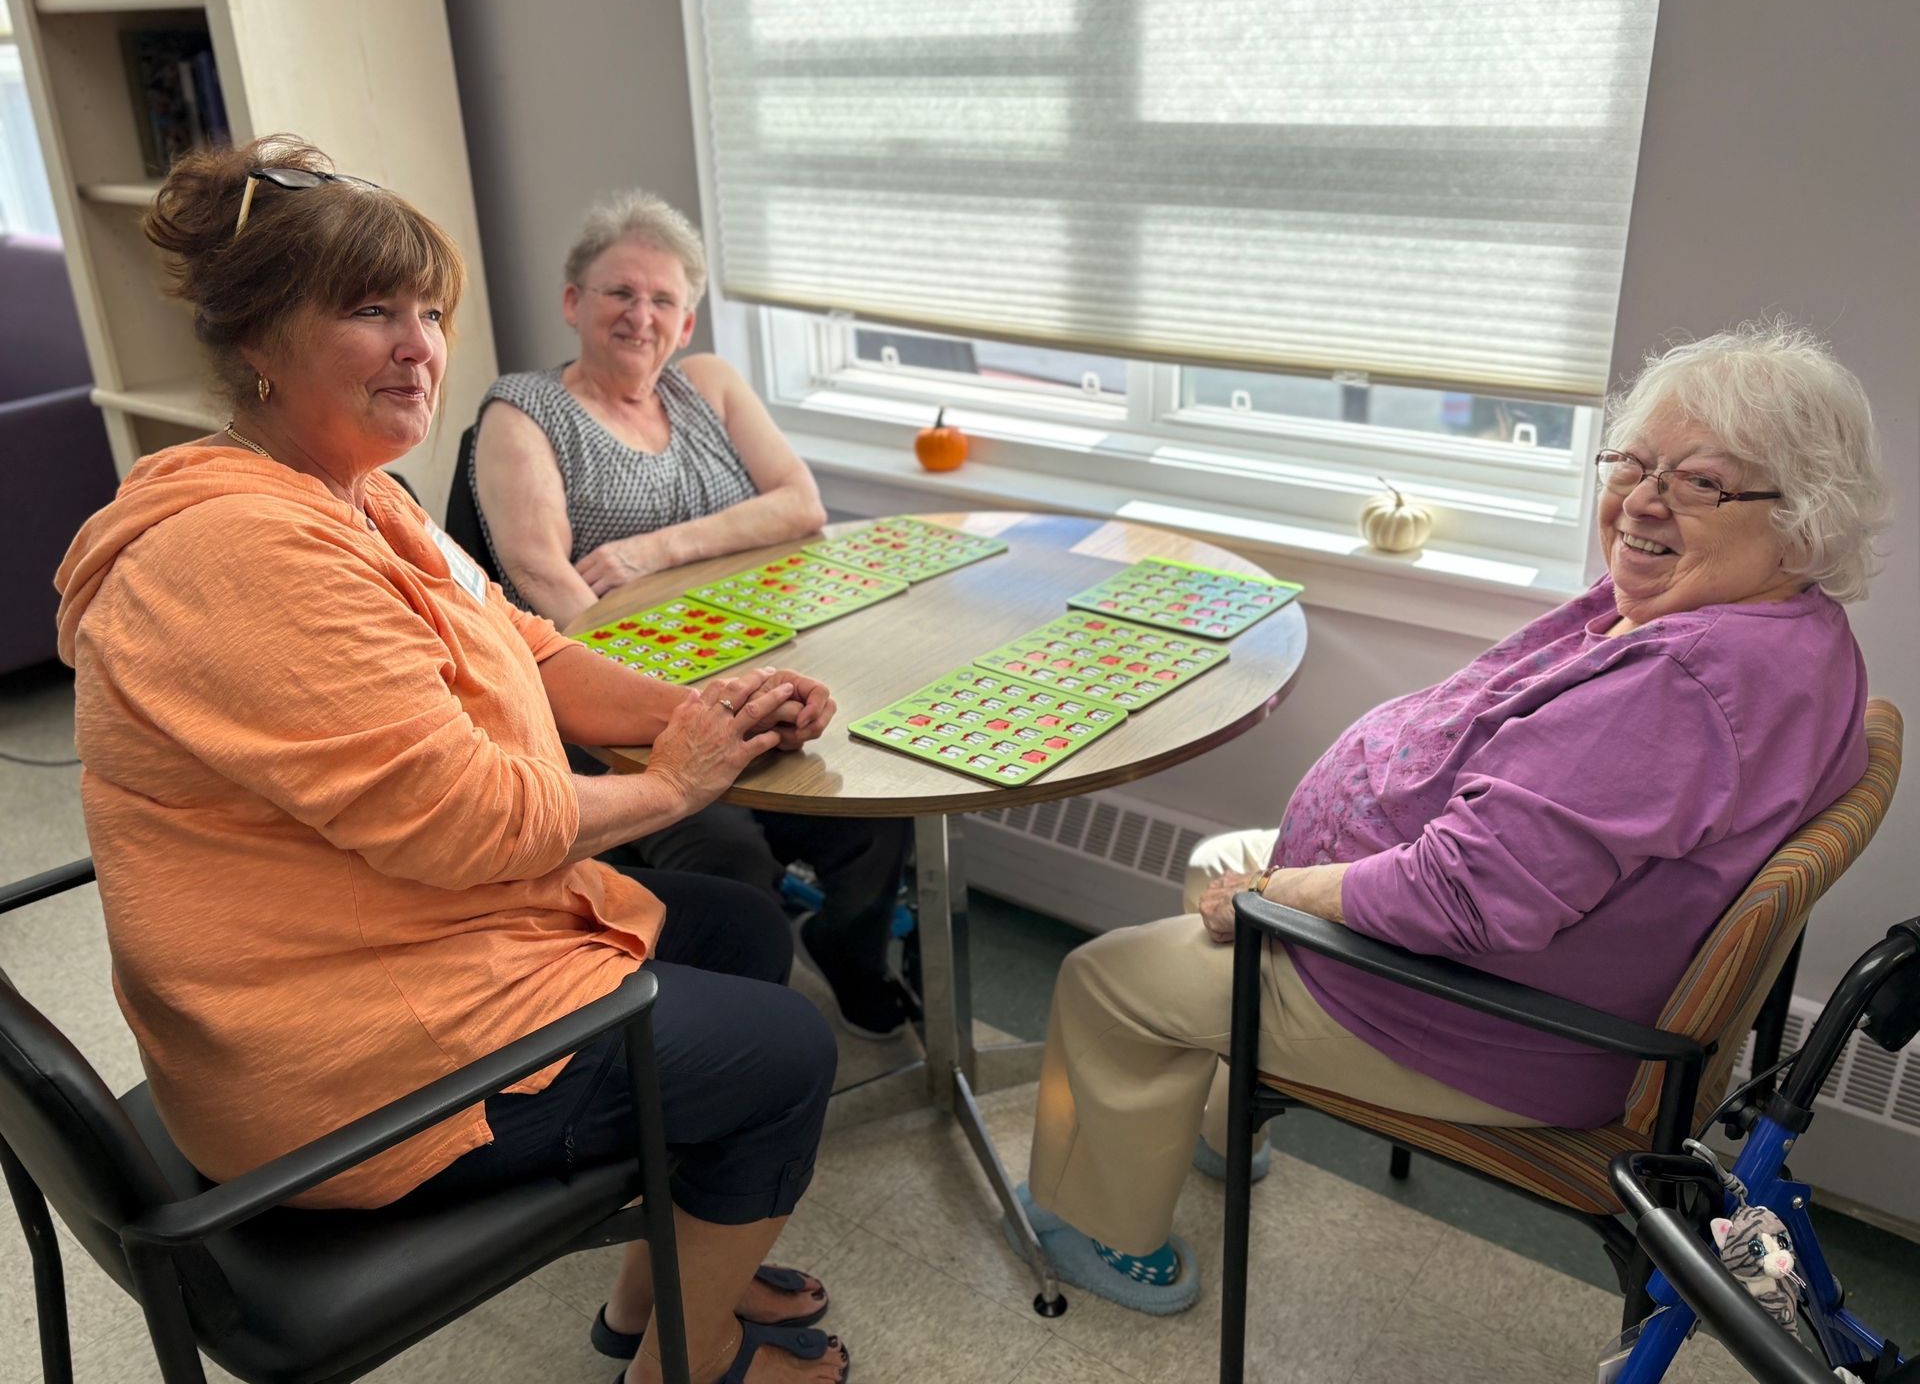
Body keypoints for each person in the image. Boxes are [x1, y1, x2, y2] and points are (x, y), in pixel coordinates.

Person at [55, 136, 851, 1384]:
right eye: (372, 312)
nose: (420, 345)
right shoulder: (242, 553)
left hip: (399, 945)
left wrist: (703, 710)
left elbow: (525, 646)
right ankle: (690, 1364)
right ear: (259, 340)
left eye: (429, 312)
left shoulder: (359, 495)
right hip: (340, 1066)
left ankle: (657, 1293)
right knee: (786, 1053)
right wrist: (674, 783)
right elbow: (467, 823)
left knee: (739, 929)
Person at [1014, 322, 1889, 1314]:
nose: (1644, 502)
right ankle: (1222, 1130)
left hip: (1481, 1017)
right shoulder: (1790, 627)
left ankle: (1098, 1228)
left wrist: (1279, 889)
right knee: (1215, 863)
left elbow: (1463, 900)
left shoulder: (1681, 687)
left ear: (1803, 519)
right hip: (1525, 961)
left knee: (1107, 981)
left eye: (1702, 483)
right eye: (1635, 465)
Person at [470, 189, 913, 1040]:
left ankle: (848, 950)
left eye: (662, 299)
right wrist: (686, 704)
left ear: (686, 322)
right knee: (729, 861)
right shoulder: (521, 412)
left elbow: (801, 505)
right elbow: (541, 576)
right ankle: (745, 1038)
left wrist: (649, 552)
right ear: (573, 302)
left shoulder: (708, 384)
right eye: (619, 292)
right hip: (618, 710)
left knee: (876, 805)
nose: (641, 316)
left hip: (753, 674)